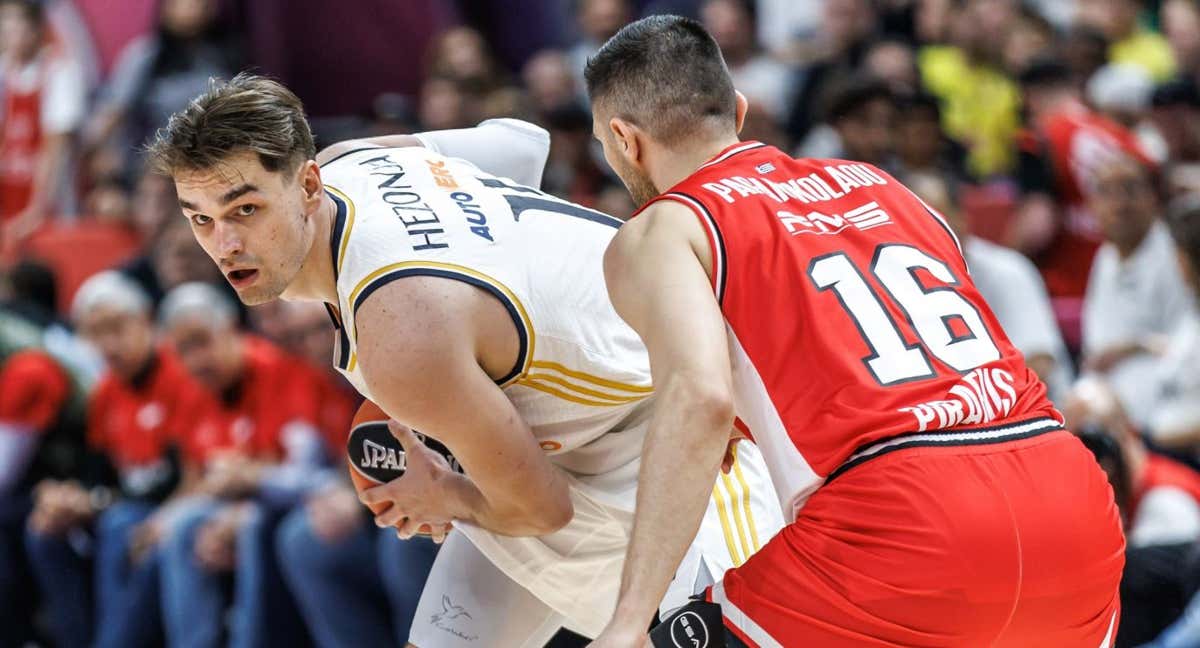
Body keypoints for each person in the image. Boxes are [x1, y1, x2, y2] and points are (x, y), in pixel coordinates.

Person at [147, 74, 783, 646]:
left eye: (246, 209)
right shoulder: (359, 158)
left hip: (677, 449)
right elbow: (518, 143)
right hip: (571, 441)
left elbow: (540, 511)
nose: (225, 245)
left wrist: (444, 495)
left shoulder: (401, 328)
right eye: (200, 220)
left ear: (308, 184)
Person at [583, 16, 1123, 647]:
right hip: (1068, 494)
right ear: (738, 108)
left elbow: (699, 399)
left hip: (903, 518)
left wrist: (626, 621)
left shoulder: (661, 228)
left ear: (623, 139)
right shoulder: (886, 185)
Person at [24, 271, 196, 648]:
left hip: (171, 510)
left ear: (147, 321)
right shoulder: (105, 393)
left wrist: (103, 504)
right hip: (124, 510)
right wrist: (71, 497)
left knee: (121, 526)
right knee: (44, 530)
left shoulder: (182, 377)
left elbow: (192, 475)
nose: (108, 344)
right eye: (95, 333)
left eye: (117, 328)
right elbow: (98, 475)